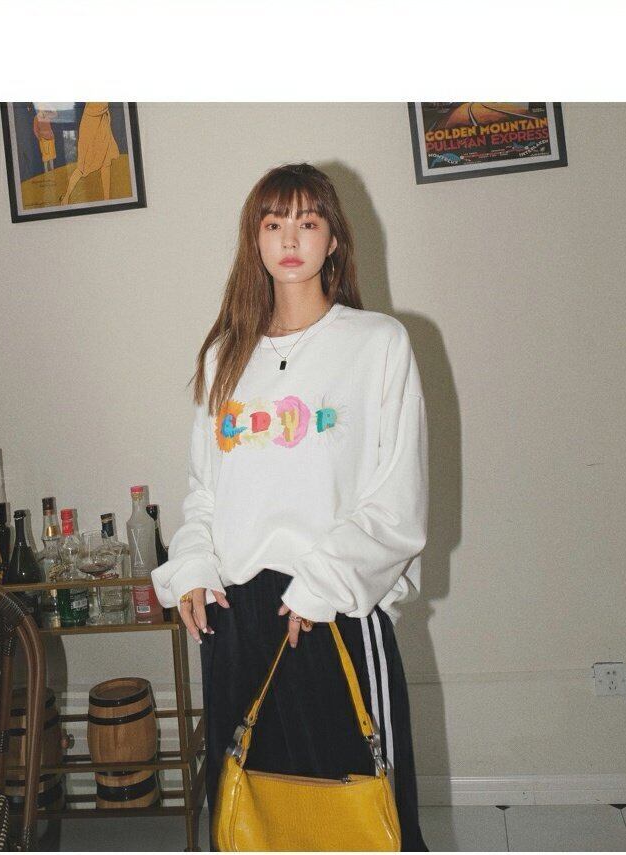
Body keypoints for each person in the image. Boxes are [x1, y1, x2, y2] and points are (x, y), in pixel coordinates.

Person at [151, 162, 429, 851]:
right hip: (234, 618)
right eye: (274, 223)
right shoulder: (224, 356)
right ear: (255, 239)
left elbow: (397, 501)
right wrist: (192, 567)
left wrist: (321, 585)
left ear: (334, 238)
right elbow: (204, 490)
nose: (291, 238)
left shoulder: (377, 343)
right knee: (253, 820)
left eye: (308, 221)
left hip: (333, 609)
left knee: (360, 818)